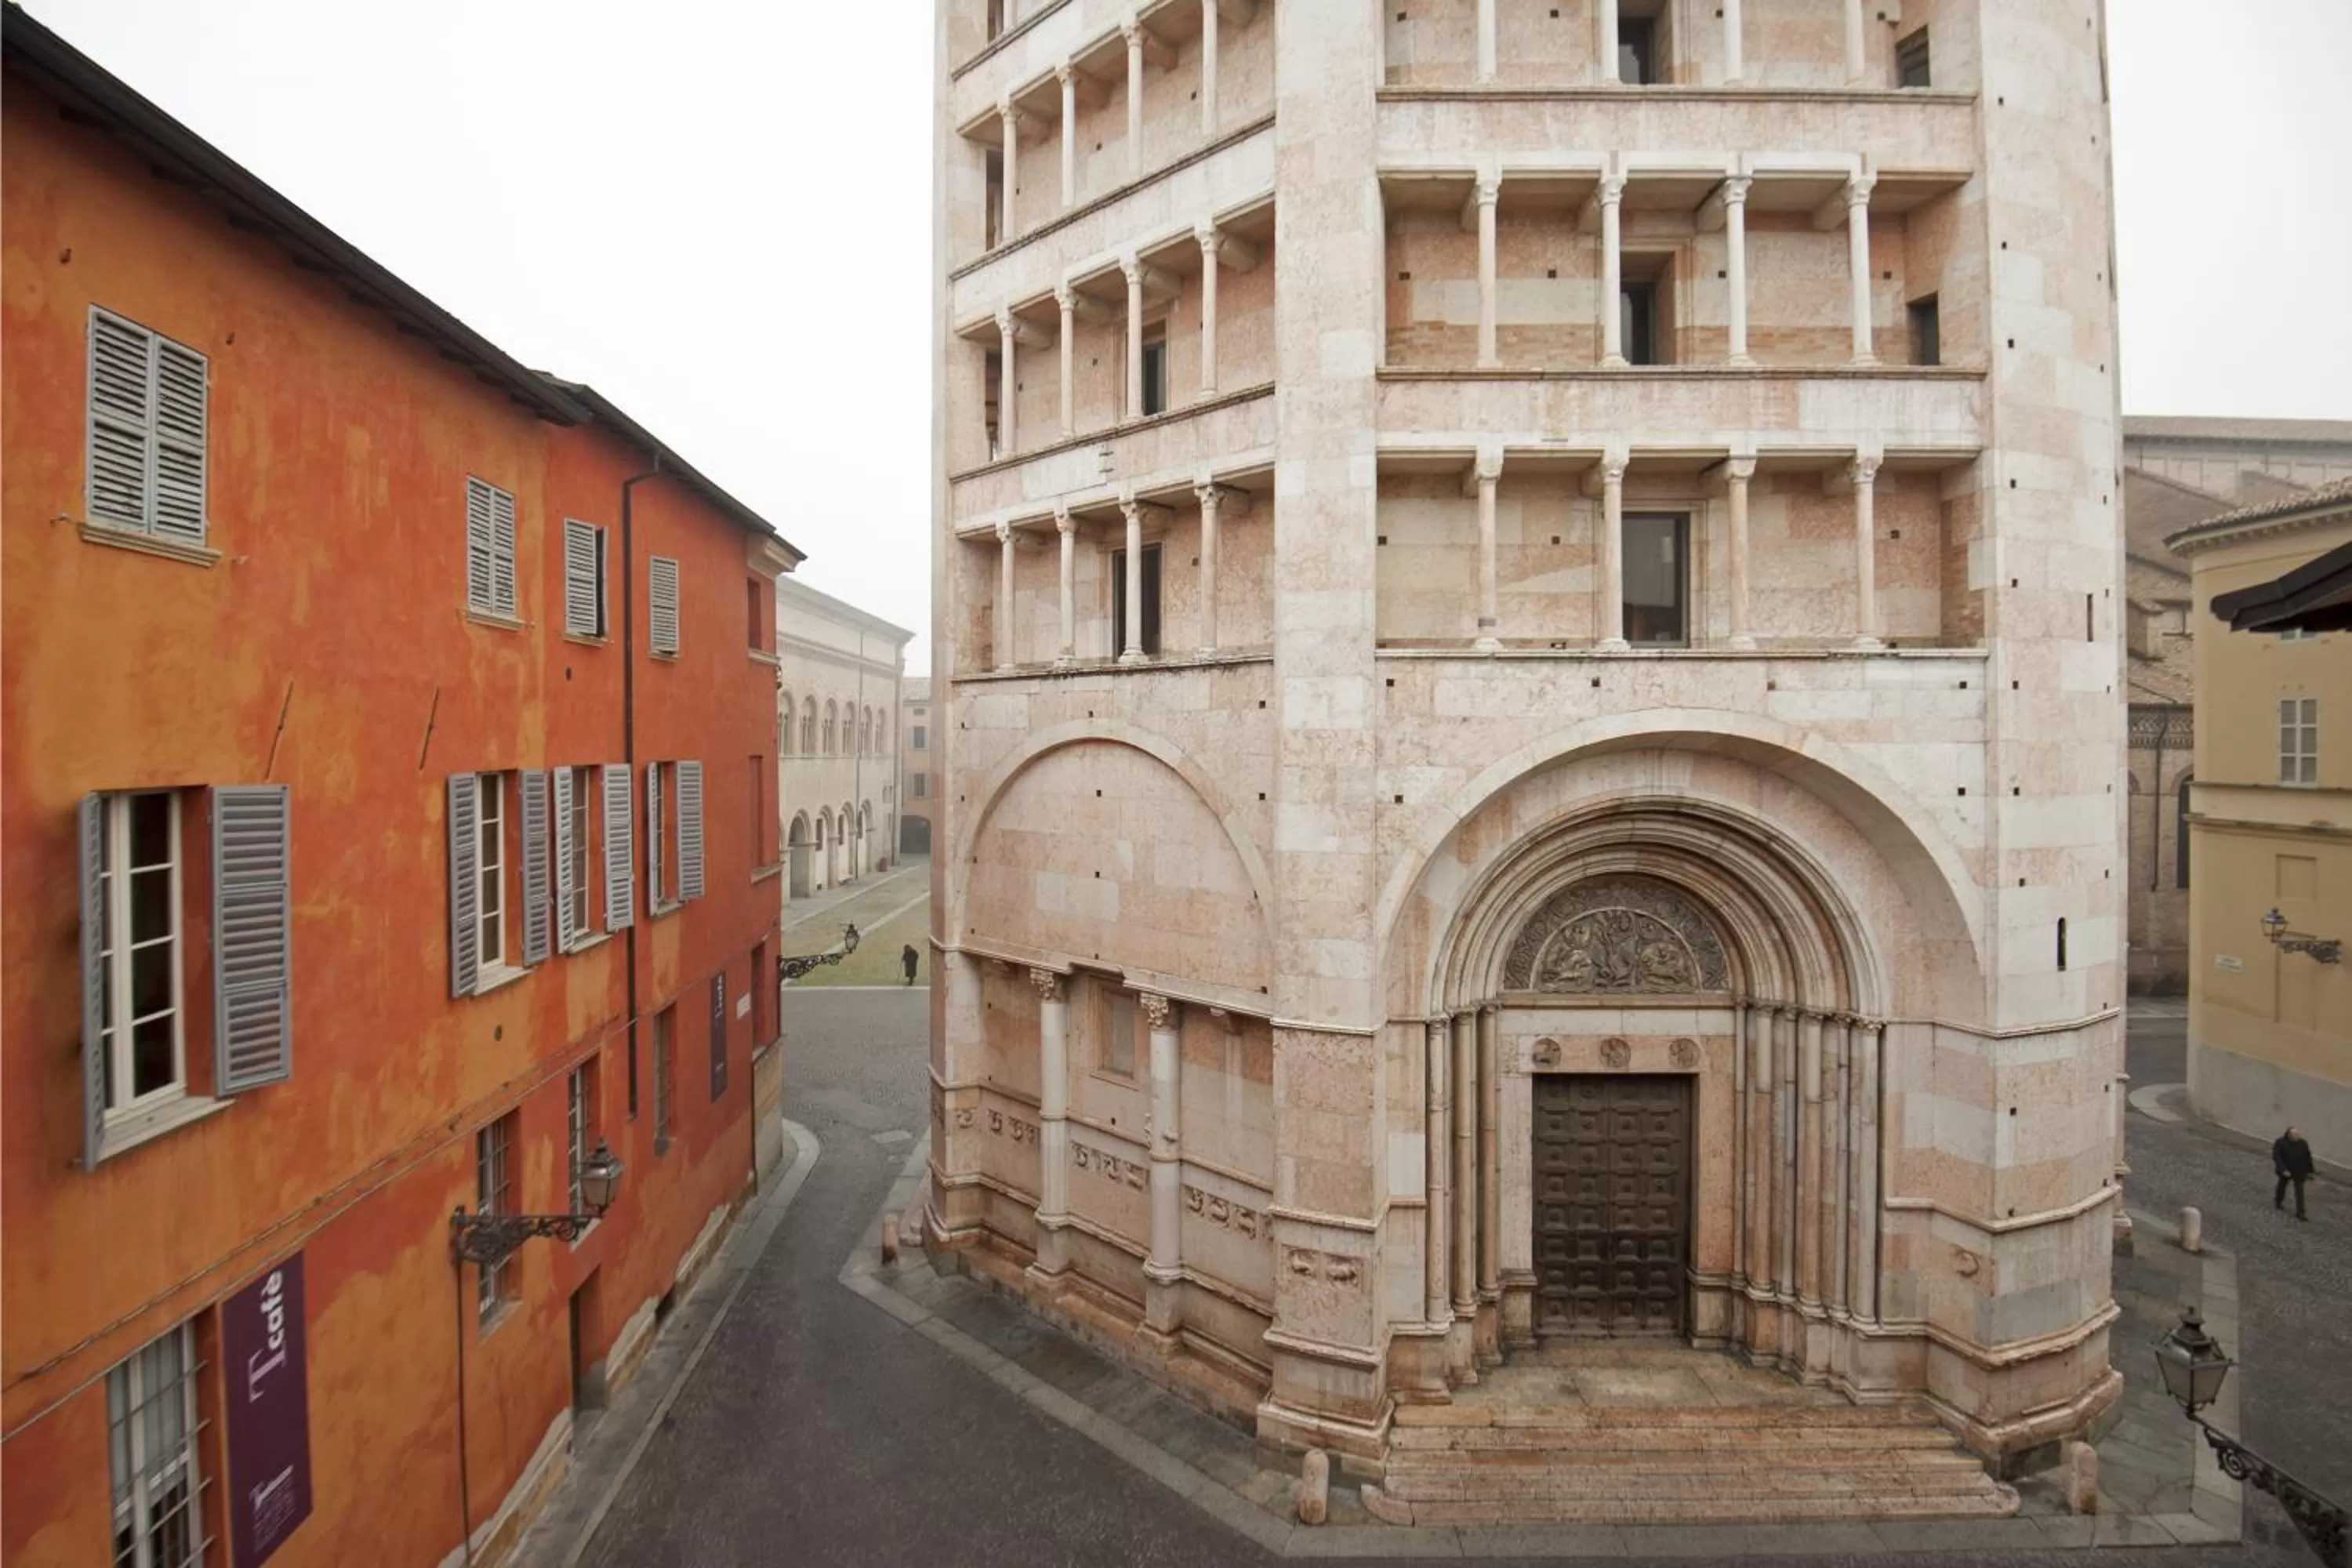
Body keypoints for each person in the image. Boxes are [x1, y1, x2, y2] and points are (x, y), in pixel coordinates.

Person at [2273, 1126, 2314, 1220]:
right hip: (2287, 1170)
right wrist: (2283, 1170)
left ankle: (2300, 1212)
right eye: (2295, 1135)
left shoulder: (2303, 1144)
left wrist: (2310, 1171)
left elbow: (2307, 1158)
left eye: (2298, 1135)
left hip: (2299, 1171)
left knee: (2300, 1192)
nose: (2298, 1137)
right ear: (2289, 1135)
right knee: (2282, 1186)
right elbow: (2277, 1157)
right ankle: (2278, 1201)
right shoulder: (2281, 1143)